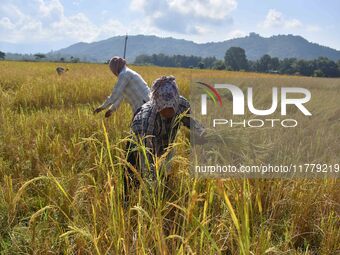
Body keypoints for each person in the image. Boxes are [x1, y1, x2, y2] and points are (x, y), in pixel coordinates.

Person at [124, 76, 206, 193]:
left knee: (164, 175)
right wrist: (152, 185)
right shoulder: (147, 121)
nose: (168, 111)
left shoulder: (182, 105)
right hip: (139, 143)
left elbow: (194, 123)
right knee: (133, 180)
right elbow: (146, 159)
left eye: (171, 107)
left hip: (165, 142)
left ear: (176, 100)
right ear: (157, 104)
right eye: (164, 108)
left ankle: (162, 194)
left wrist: (205, 134)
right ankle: (128, 204)